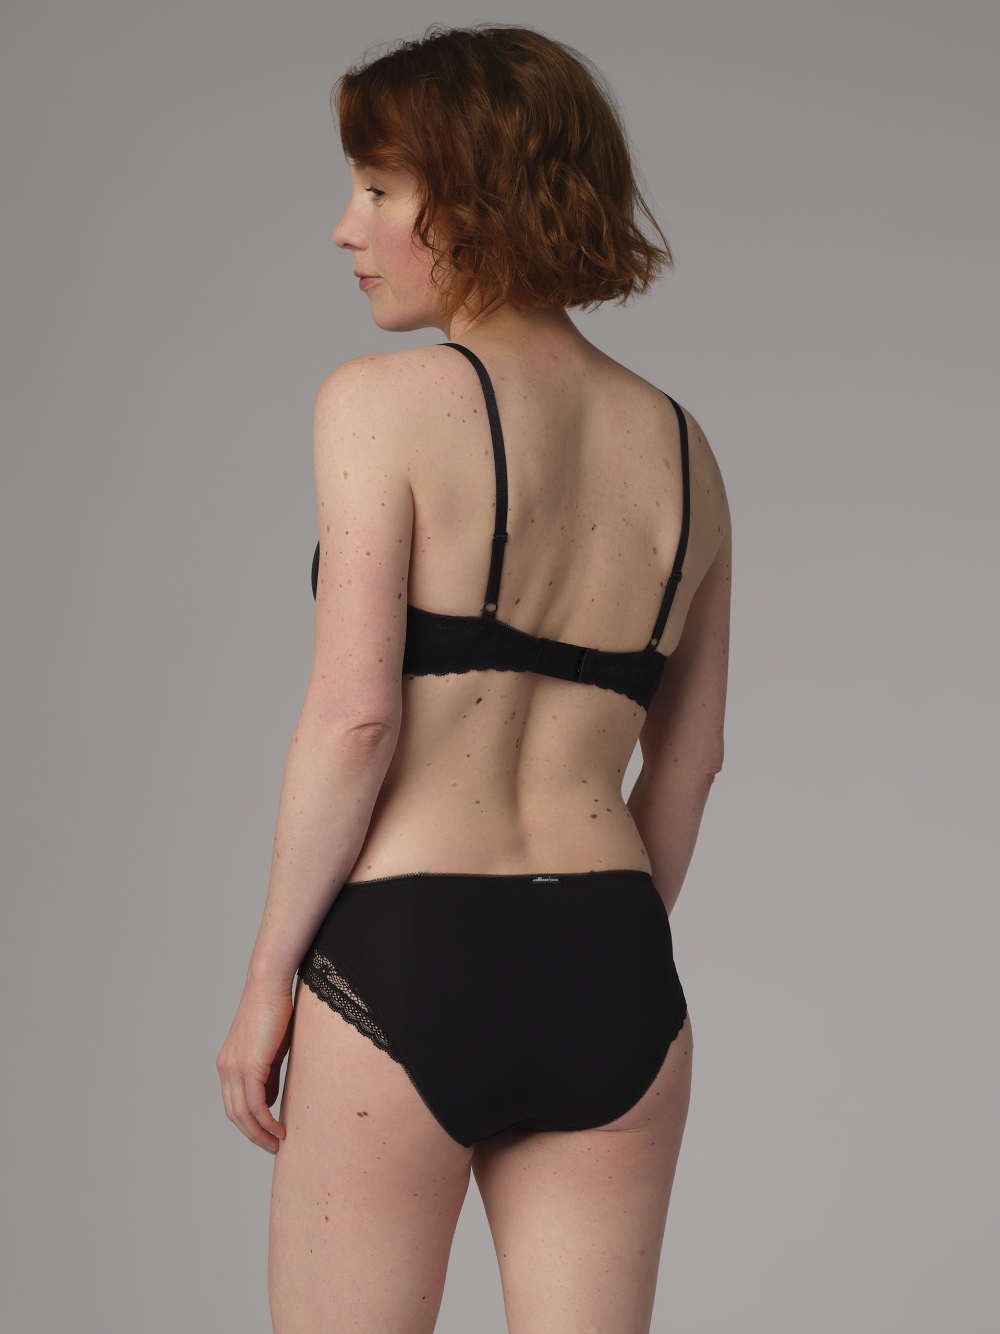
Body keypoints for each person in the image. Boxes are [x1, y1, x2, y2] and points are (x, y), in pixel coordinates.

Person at [217, 24, 730, 1334]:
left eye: (378, 189)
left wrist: (269, 980)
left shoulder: (377, 404)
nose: (347, 228)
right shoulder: (688, 453)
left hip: (408, 950)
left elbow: (357, 718)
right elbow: (690, 761)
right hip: (612, 954)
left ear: (475, 196)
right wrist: (593, 951)